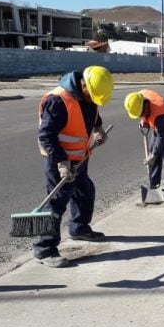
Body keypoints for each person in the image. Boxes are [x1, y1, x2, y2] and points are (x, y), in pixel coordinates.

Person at [36, 65, 114, 267]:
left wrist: (99, 131)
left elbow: (95, 119)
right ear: (83, 85)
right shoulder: (57, 100)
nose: (93, 101)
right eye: (92, 96)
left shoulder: (90, 97)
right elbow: (46, 136)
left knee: (85, 190)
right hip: (58, 161)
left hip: (80, 157)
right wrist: (62, 162)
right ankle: (45, 250)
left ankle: (79, 228)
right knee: (56, 202)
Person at [124, 89, 164, 199]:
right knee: (154, 152)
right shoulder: (140, 96)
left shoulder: (159, 114)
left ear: (145, 105)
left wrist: (153, 156)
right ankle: (154, 184)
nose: (140, 116)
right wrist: (144, 120)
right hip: (161, 127)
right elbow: (144, 113)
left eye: (141, 114)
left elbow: (161, 136)